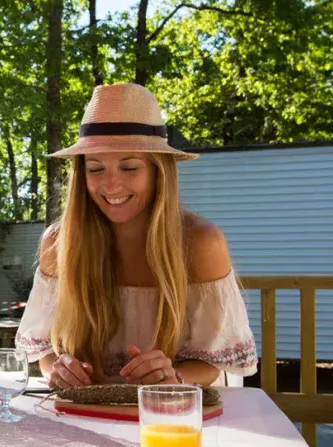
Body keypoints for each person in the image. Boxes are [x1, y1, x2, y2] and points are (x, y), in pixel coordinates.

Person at [15, 83, 258, 388]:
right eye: (95, 169)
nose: (111, 185)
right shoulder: (58, 243)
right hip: (93, 411)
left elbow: (215, 364)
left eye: (129, 168)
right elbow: (44, 350)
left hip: (184, 413)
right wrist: (58, 369)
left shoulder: (201, 242)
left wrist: (173, 377)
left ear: (160, 172)